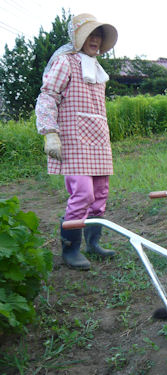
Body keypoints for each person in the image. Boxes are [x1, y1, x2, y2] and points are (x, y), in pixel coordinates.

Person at [35, 13, 118, 270]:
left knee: (100, 194)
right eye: (90, 35)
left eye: (99, 36)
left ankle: (93, 243)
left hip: (98, 138)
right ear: (77, 37)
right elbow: (48, 95)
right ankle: (70, 250)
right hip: (74, 139)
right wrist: (50, 132)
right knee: (83, 193)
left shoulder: (98, 68)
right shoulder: (66, 62)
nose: (95, 40)